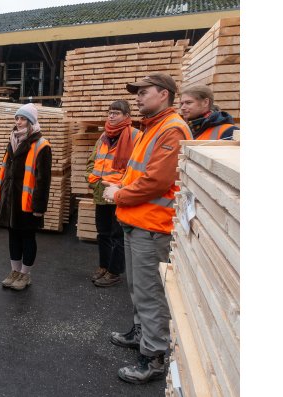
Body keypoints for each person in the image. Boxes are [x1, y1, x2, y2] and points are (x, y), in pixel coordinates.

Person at [102, 73, 192, 385]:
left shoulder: (172, 129)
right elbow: (137, 172)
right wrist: (119, 185)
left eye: (144, 92)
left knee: (150, 292)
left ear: (164, 94)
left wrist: (119, 194)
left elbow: (157, 181)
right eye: (137, 93)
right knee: (138, 287)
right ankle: (140, 335)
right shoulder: (151, 128)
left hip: (153, 226)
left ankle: (153, 357)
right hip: (136, 220)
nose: (138, 98)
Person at [0, 103, 52, 290]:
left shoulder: (42, 145)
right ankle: (15, 271)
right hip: (11, 198)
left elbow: (44, 180)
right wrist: (0, 196)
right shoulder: (13, 140)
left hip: (27, 202)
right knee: (13, 237)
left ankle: (25, 274)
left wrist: (39, 207)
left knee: (27, 238)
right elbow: (5, 171)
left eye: (23, 119)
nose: (19, 122)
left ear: (31, 121)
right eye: (17, 118)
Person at [85, 100, 141, 288]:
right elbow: (92, 161)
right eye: (110, 112)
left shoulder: (136, 136)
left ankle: (114, 271)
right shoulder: (104, 136)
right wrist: (92, 179)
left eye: (116, 113)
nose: (111, 116)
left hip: (120, 194)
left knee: (118, 236)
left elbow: (137, 167)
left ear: (127, 116)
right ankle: (103, 266)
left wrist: (120, 186)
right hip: (102, 192)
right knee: (103, 233)